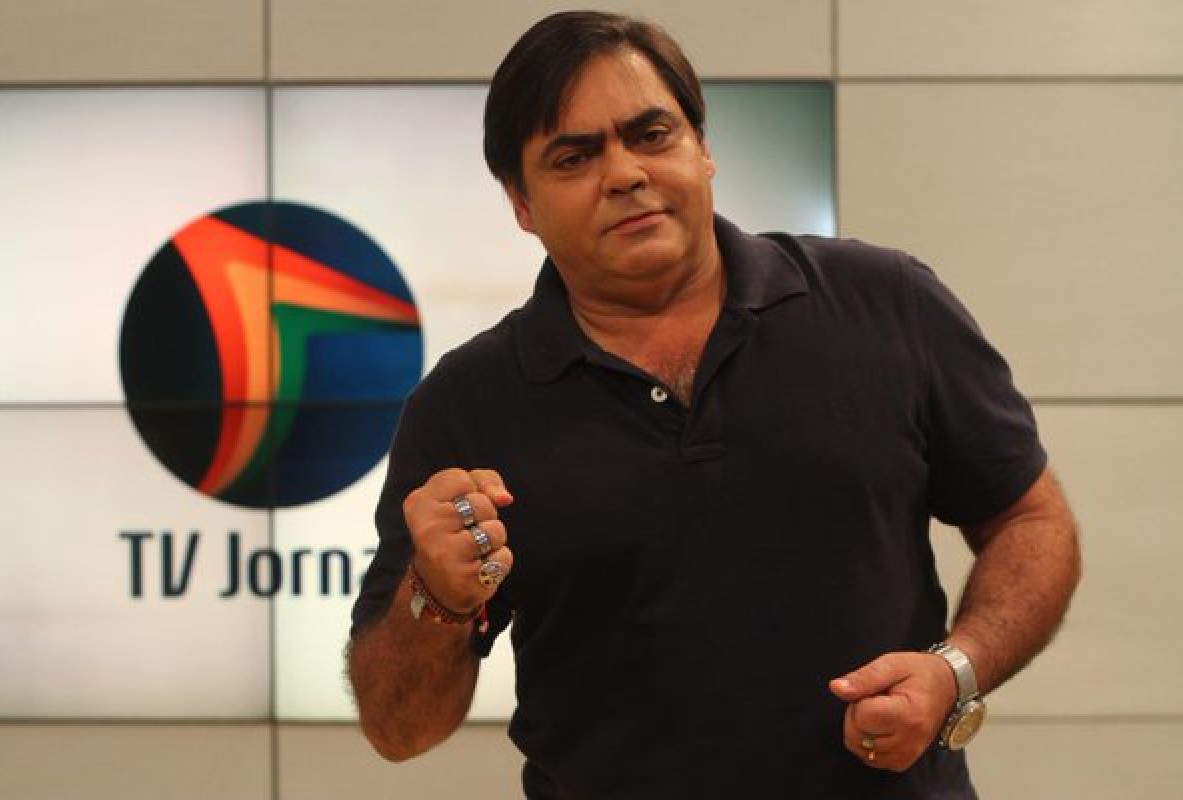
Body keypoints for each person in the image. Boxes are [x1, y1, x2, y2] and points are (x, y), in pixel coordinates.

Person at [348, 11, 1081, 798]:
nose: (625, 173)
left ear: (702, 147)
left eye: (651, 134)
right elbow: (399, 729)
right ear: (521, 203)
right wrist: (436, 596)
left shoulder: (886, 302)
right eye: (574, 157)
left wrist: (956, 670)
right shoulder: (466, 405)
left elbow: (1031, 522)